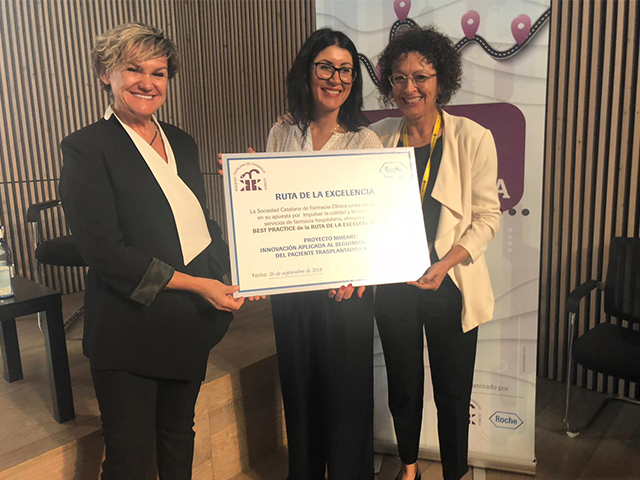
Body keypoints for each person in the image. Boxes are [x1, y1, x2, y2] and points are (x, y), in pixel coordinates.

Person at [59, 22, 250, 479]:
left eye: (158, 73)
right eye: (134, 69)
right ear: (105, 74)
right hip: (128, 328)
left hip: (186, 324)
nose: (147, 82)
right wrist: (199, 284)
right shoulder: (87, 148)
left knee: (178, 437)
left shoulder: (181, 142)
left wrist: (241, 272)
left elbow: (202, 226)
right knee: (130, 457)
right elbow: (104, 251)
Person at [370, 26, 502, 480]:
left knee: (452, 393)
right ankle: (409, 469)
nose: (410, 88)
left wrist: (446, 264)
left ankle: (454, 474)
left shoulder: (473, 138)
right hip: (395, 285)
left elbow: (487, 218)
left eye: (421, 77)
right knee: (404, 388)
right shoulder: (376, 138)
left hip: (451, 283)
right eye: (400, 78)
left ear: (440, 80)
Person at [267, 28, 382, 480]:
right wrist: (247, 183)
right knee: (300, 398)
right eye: (326, 67)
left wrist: (362, 271)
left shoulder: (364, 141)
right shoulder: (282, 132)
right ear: (307, 70)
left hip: (345, 295)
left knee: (347, 402)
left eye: (346, 70)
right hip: (292, 293)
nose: (336, 78)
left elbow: (376, 223)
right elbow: (270, 209)